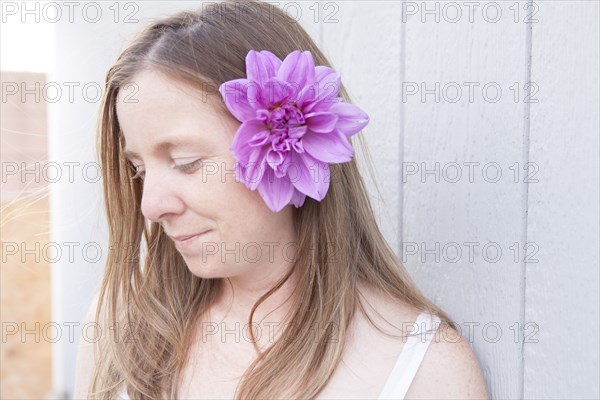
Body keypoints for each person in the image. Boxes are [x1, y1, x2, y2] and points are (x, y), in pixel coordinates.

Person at [74, 1, 489, 398]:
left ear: (293, 149)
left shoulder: (423, 367)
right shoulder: (122, 324)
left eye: (186, 162)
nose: (151, 206)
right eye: (140, 171)